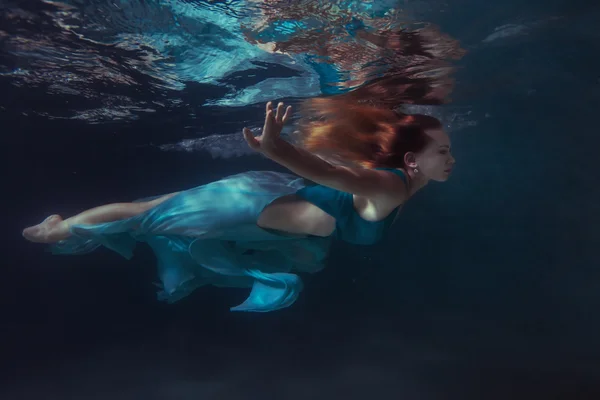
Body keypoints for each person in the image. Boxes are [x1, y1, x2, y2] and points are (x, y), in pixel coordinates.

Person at [22, 100, 455, 312]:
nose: (452, 160)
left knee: (154, 212)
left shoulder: (406, 185)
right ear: (412, 161)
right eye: (443, 152)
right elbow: (338, 177)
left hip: (269, 218)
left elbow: (340, 173)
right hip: (251, 206)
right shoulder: (391, 187)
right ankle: (59, 230)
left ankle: (70, 228)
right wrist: (276, 148)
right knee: (148, 213)